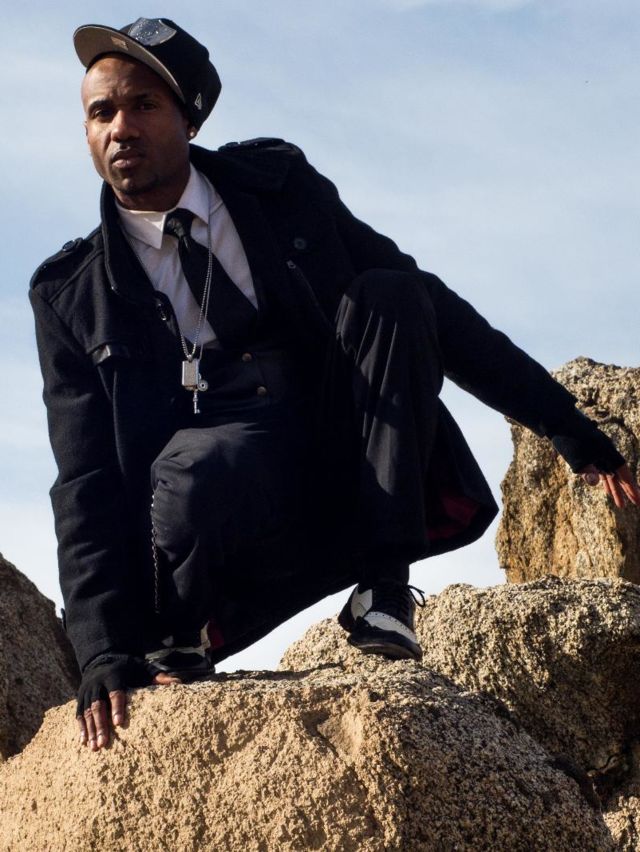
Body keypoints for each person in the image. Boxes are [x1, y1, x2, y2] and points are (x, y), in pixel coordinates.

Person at [30, 18, 640, 752]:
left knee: (393, 293)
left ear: (190, 117)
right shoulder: (69, 295)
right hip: (215, 498)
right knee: (199, 471)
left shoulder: (279, 187)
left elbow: (430, 311)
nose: (120, 128)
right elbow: (85, 479)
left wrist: (568, 428)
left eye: (142, 105)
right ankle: (181, 635)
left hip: (333, 441)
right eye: (101, 112)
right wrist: (102, 649)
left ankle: (383, 588)